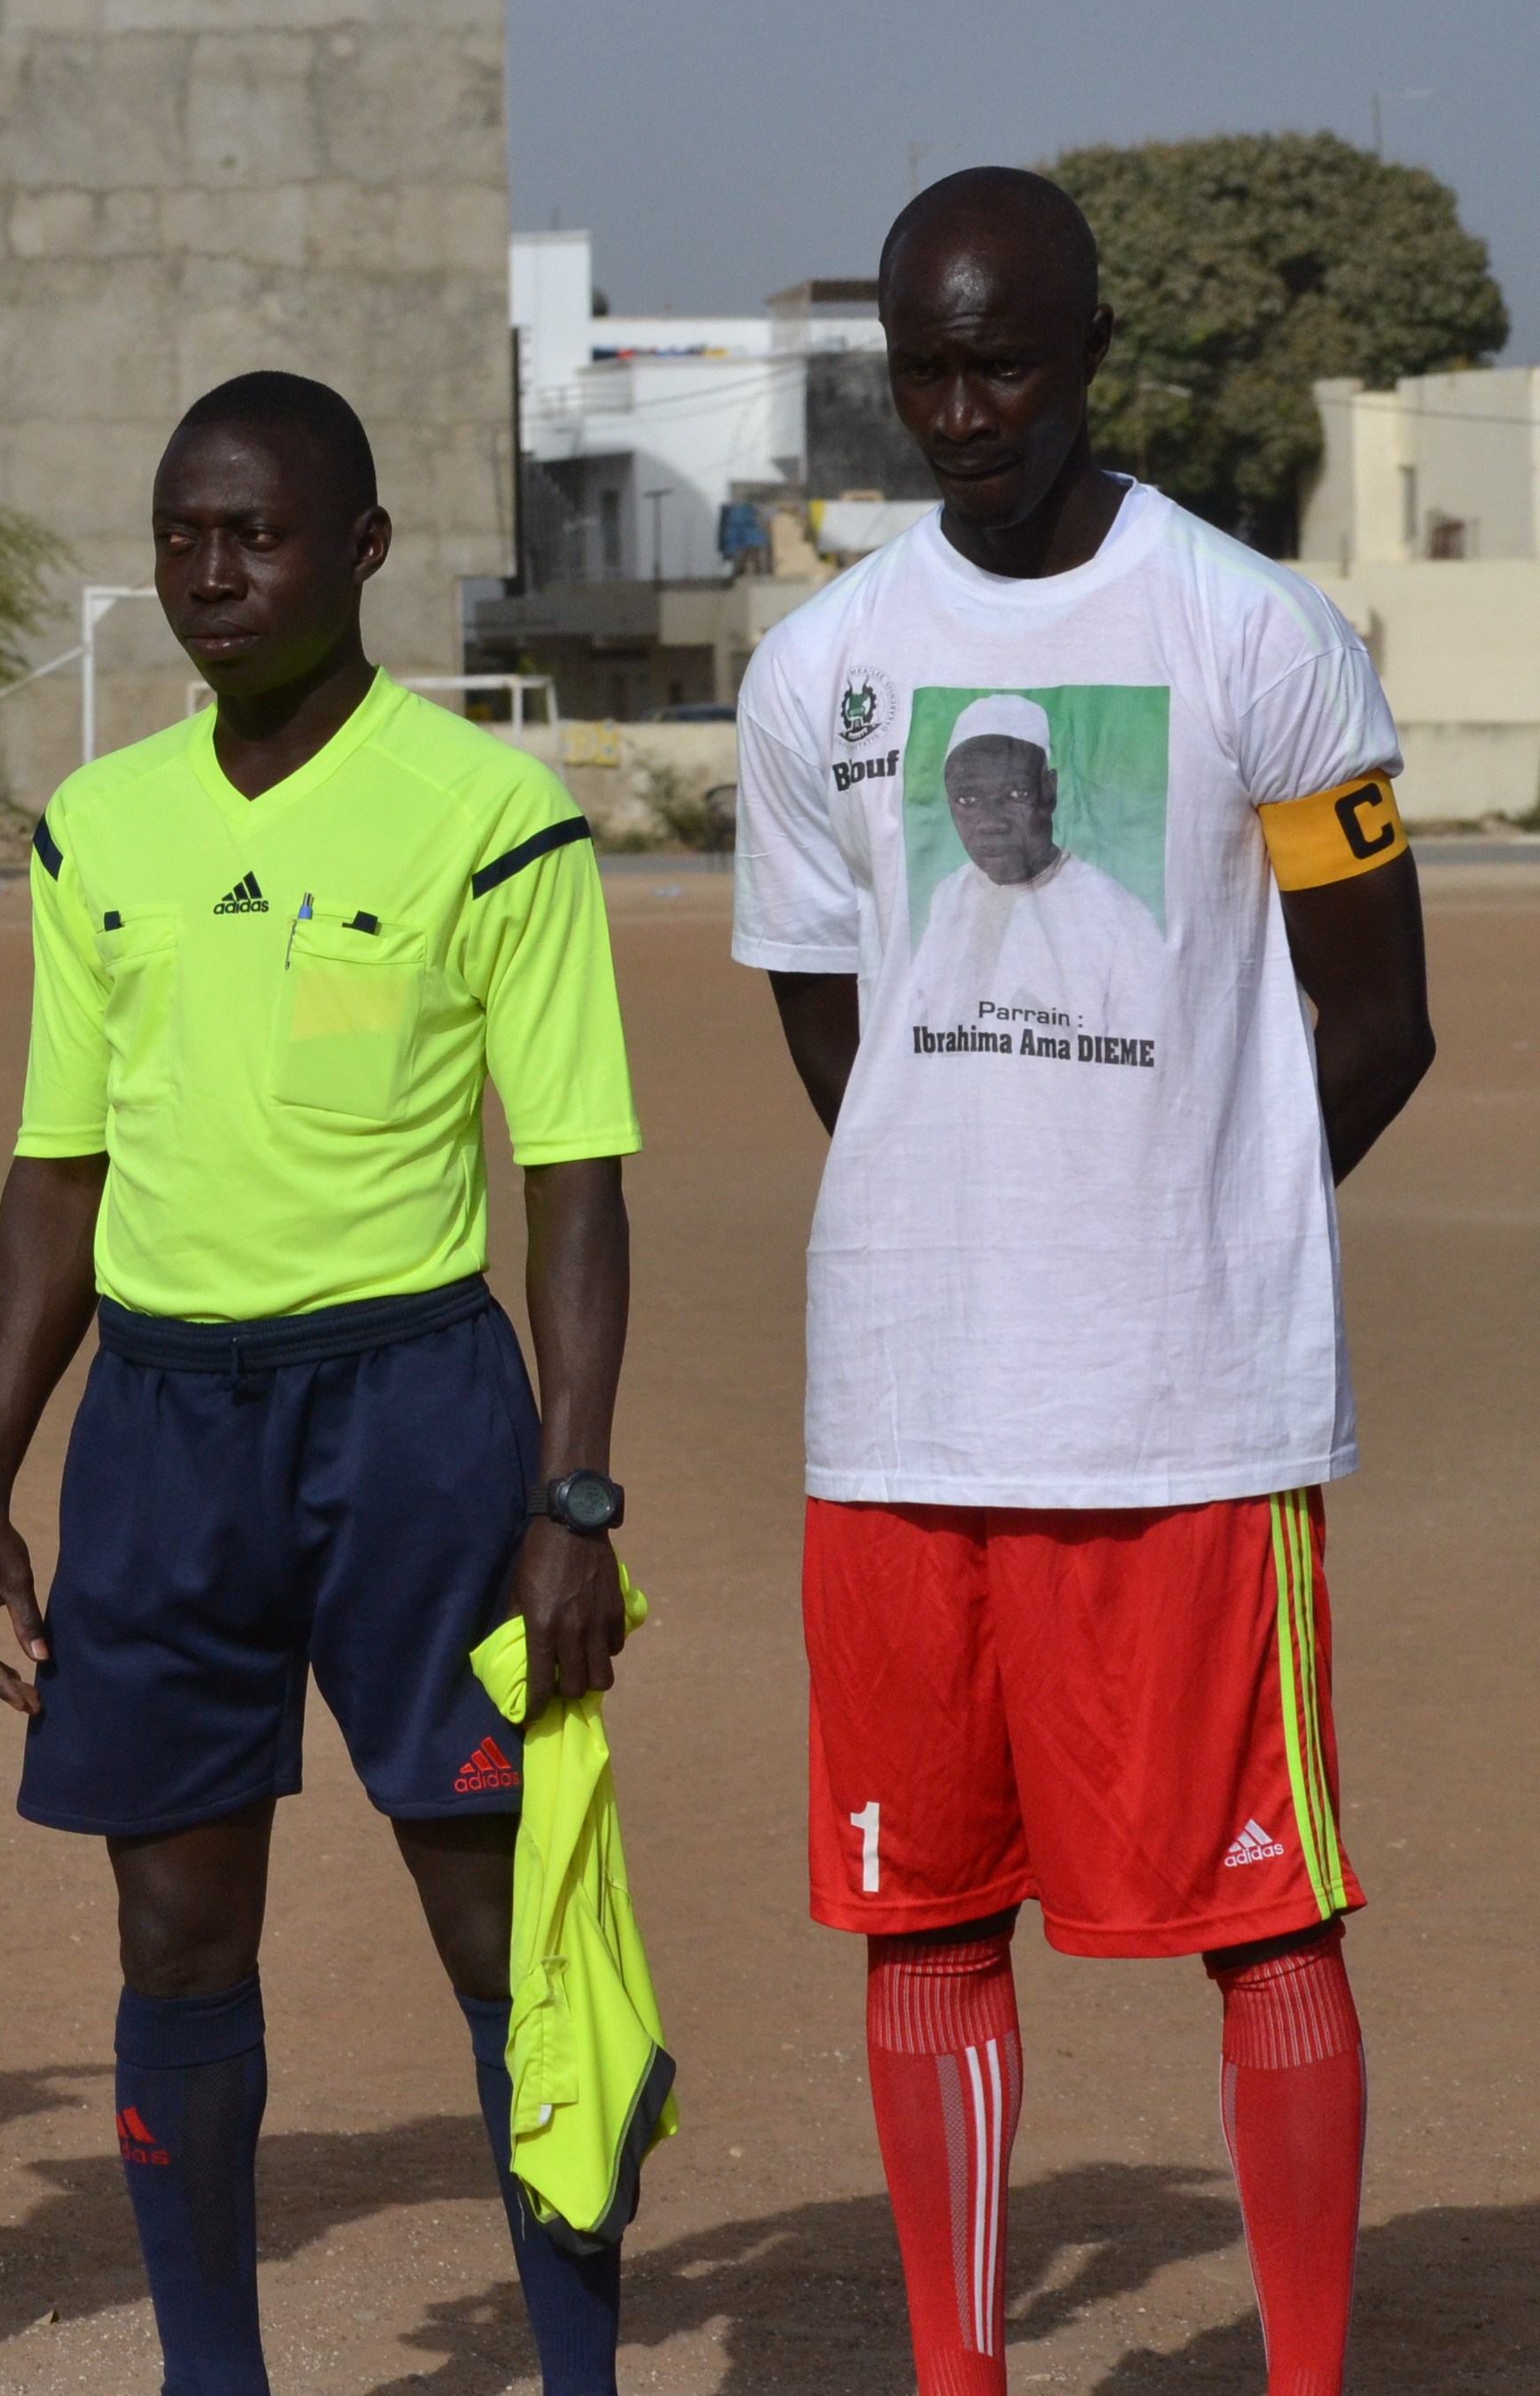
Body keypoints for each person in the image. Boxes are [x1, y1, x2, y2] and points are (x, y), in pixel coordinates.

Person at [734, 170, 1431, 2396]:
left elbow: (1382, 1014)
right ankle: (962, 2371)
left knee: (1267, 1912)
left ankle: (1301, 2370)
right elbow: (831, 1014)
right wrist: (978, 1198)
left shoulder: (1260, 635)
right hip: (906, 1410)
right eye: (923, 369)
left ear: (1090, 347)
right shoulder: (816, 669)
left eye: (1002, 363)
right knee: (919, 1908)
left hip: (1186, 1413)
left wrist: (1187, 1212)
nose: (962, 411)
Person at [0, 370, 647, 2396]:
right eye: (180, 534)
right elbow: (52, 1176)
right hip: (161, 1433)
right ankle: (208, 2371)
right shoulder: (100, 829)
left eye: (253, 532)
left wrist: (571, 1494)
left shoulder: (489, 814)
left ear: (359, 551)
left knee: (508, 1949)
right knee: (172, 1934)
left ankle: (580, 2366)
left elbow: (575, 1185)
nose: (212, 572)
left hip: (418, 1421)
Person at [890, 696, 1168, 1047]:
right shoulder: (949, 897)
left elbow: (1148, 1063)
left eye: (1015, 794)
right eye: (967, 800)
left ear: (1049, 791)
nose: (990, 822)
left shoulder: (1117, 917)